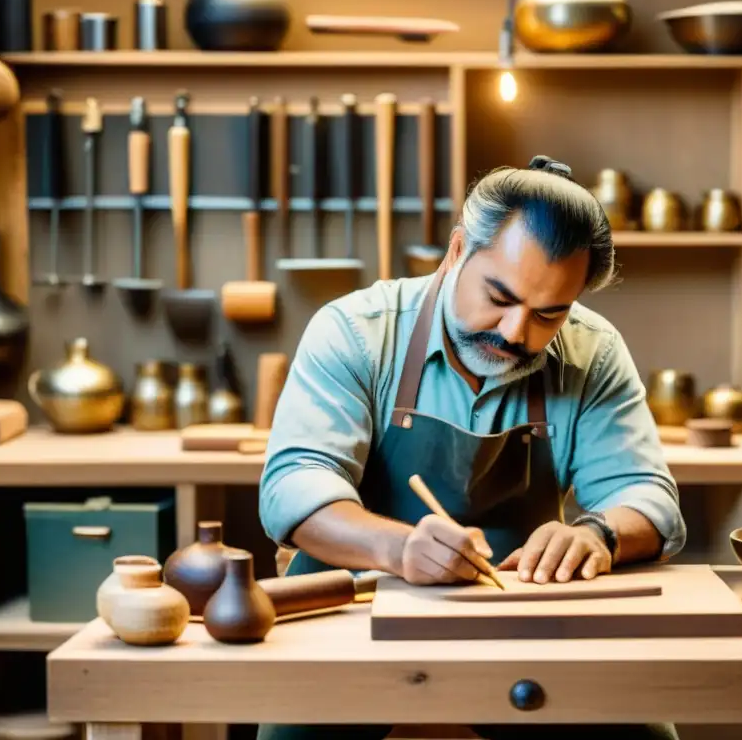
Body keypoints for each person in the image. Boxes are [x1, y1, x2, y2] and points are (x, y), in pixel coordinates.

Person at [257, 155, 687, 740]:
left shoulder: (593, 352)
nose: (515, 332)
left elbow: (649, 499)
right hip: (355, 606)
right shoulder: (357, 330)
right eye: (499, 296)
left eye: (548, 313)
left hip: (525, 618)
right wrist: (401, 549)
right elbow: (294, 487)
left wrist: (597, 534)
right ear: (457, 249)